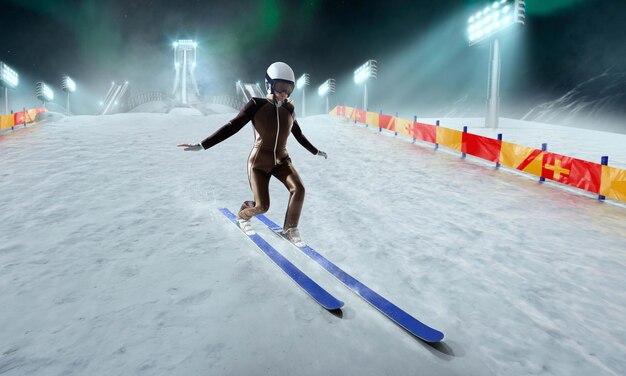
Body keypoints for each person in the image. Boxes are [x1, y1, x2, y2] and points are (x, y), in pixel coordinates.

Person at [177, 62, 327, 246]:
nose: (284, 93)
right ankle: (243, 216)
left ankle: (290, 229)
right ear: (269, 85)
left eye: (288, 89)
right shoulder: (256, 104)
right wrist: (202, 145)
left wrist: (316, 151)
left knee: (299, 189)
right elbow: (232, 126)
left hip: (282, 161)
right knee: (262, 206)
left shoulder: (289, 110)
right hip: (259, 163)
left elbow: (299, 135)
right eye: (280, 87)